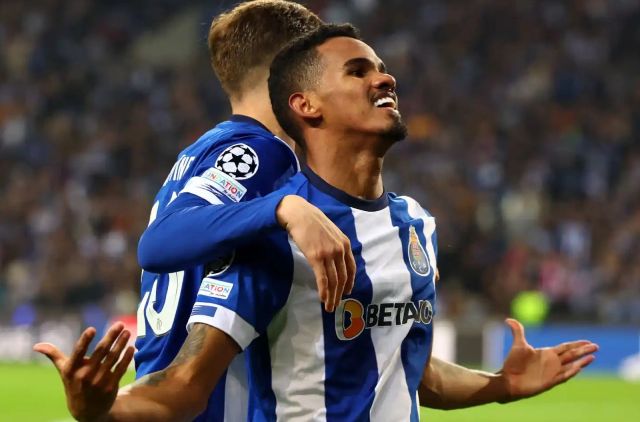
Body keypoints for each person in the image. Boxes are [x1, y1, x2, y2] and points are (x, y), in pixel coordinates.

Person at [36, 23, 598, 421]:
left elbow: (409, 369)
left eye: (382, 69)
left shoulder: (416, 225)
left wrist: (501, 386)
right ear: (305, 105)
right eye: (358, 71)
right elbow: (181, 387)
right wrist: (98, 411)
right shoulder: (272, 238)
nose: (385, 80)